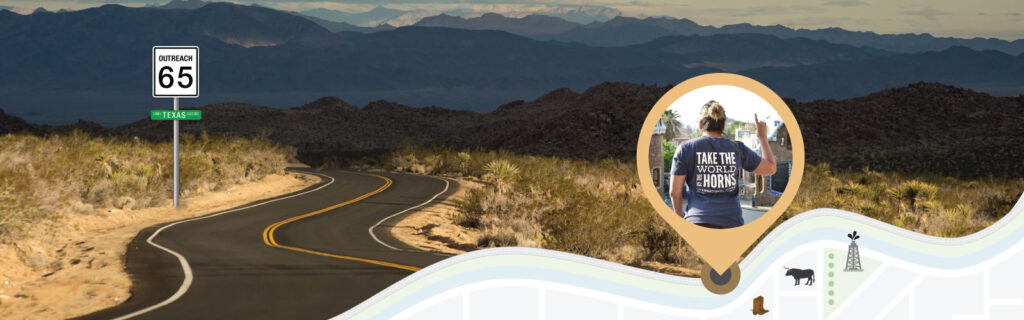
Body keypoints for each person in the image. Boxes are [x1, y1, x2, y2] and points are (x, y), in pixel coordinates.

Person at [669, 100, 777, 229]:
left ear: (700, 125)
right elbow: (770, 168)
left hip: (696, 221)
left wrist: (680, 217)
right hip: (731, 223)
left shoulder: (686, 149)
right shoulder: (738, 148)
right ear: (724, 125)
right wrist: (762, 137)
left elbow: (674, 192)